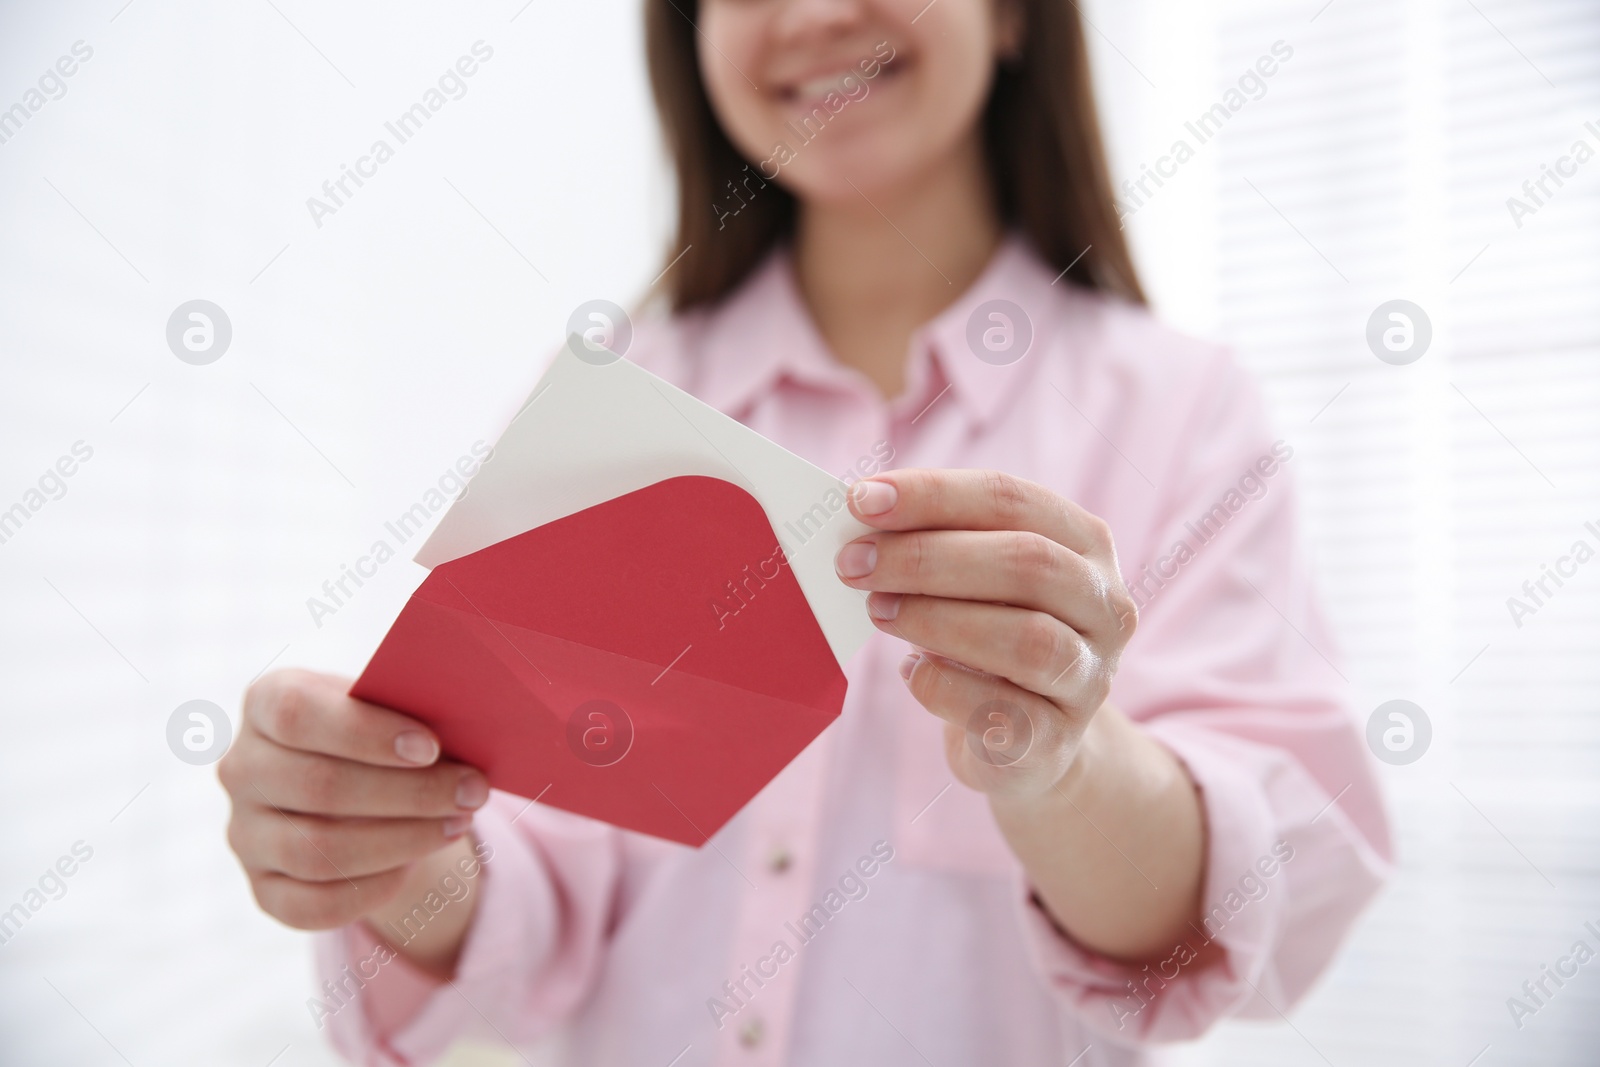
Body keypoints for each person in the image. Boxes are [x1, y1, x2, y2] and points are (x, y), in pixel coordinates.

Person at [218, 1, 1392, 1063]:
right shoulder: (619, 396)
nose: (819, 13)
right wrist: (390, 848)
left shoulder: (1178, 409)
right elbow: (528, 896)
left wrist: (1061, 764)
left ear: (1015, 17)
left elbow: (1241, 909)